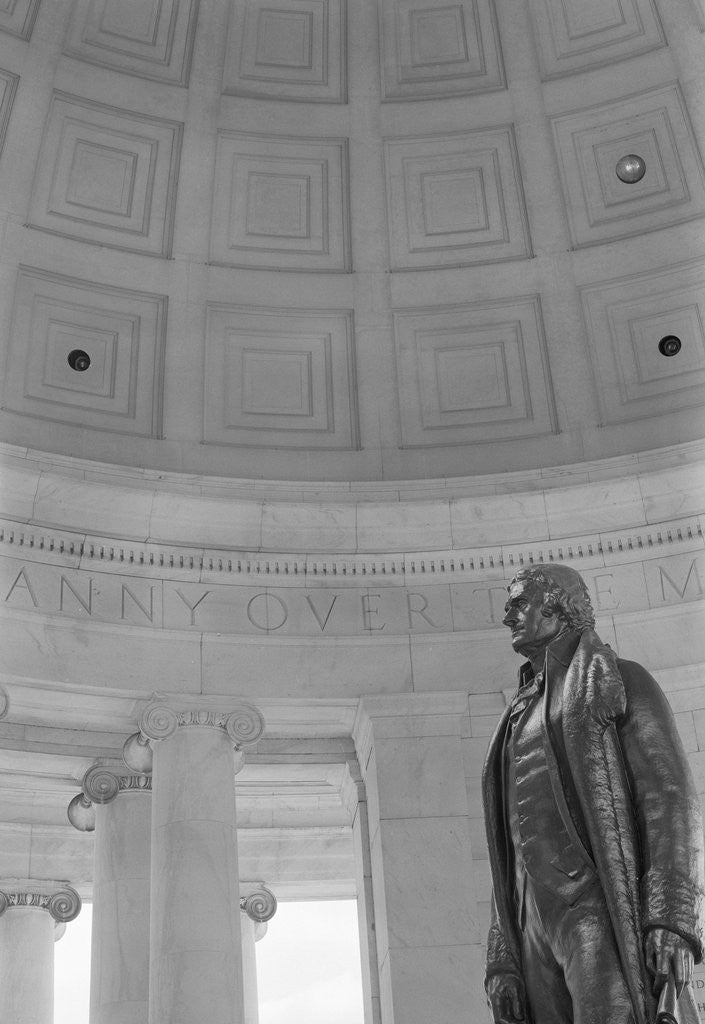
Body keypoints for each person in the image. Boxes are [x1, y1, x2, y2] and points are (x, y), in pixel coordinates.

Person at [482, 563, 705, 1024]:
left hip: (595, 908)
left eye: (519, 603)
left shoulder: (618, 680)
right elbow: (507, 847)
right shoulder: (513, 717)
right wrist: (502, 957)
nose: (507, 616)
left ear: (556, 606)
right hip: (531, 925)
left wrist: (671, 916)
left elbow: (669, 797)